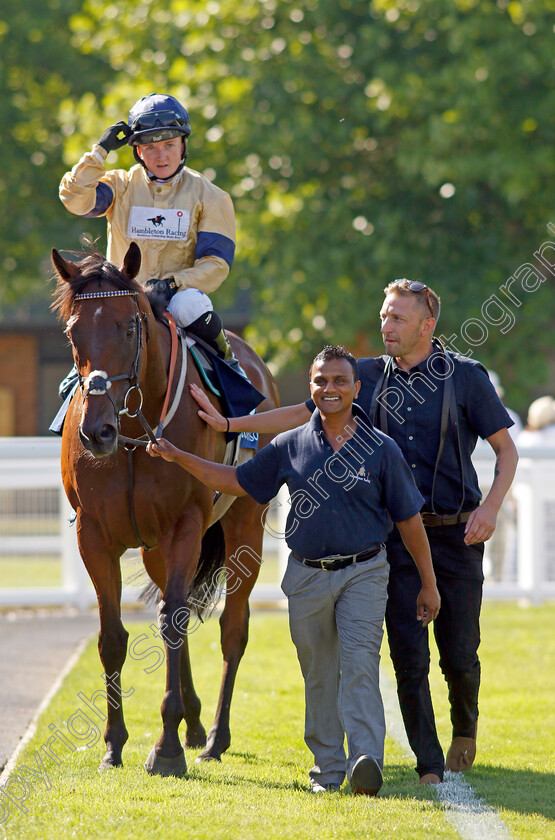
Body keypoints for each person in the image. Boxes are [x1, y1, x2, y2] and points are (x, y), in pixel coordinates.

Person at [187, 280, 519, 784]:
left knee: (460, 652)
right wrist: (230, 425)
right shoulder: (363, 375)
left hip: (455, 535)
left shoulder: (467, 378)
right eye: (384, 316)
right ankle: (430, 766)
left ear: (427, 326)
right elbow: (303, 413)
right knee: (407, 652)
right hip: (391, 540)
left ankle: (465, 729)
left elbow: (507, 451)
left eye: (397, 319)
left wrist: (491, 508)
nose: (385, 326)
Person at [147, 345, 441, 795]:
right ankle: (327, 768)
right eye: (321, 381)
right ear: (310, 388)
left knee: (360, 663)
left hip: (364, 572)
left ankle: (365, 758)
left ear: (356, 388)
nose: (330, 389)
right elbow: (235, 482)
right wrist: (178, 456)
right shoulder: (290, 445)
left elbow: (409, 520)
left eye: (340, 381)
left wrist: (428, 583)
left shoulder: (381, 448)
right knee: (318, 672)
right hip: (305, 576)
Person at [59, 92, 240, 367]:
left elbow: (216, 264)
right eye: (151, 148)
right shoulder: (119, 185)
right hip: (122, 298)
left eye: (169, 145)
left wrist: (173, 284)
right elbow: (74, 200)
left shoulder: (211, 196)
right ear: (138, 151)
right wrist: (99, 151)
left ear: (182, 145)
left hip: (175, 300)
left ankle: (230, 370)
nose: (162, 155)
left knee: (190, 305)